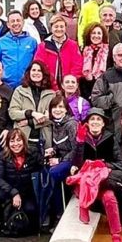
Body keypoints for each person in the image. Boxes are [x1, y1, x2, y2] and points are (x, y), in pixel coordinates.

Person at [71, 109, 122, 242]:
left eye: (98, 119)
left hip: (103, 182)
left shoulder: (111, 138)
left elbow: (120, 163)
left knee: (109, 198)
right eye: (92, 119)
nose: (95, 122)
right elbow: (76, 163)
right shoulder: (82, 138)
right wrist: (79, 143)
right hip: (85, 182)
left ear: (103, 124)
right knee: (86, 174)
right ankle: (84, 205)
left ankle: (116, 237)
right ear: (87, 123)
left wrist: (102, 165)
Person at [0, 129, 44, 236]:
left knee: (30, 209)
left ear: (24, 141)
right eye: (12, 141)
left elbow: (42, 167)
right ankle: (2, 223)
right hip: (9, 191)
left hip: (27, 192)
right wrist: (14, 193)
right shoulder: (2, 156)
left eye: (18, 140)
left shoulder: (33, 152)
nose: (16, 144)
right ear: (8, 143)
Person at [42, 94, 79, 230]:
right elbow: (60, 144)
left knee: (54, 173)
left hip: (72, 160)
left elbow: (76, 149)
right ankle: (49, 212)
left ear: (66, 109)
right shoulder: (55, 124)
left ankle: (60, 214)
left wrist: (59, 160)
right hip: (61, 158)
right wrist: (53, 150)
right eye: (54, 107)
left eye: (61, 107)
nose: (57, 110)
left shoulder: (71, 124)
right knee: (44, 170)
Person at [8, 60, 57, 147]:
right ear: (29, 72)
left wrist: (30, 122)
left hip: (44, 140)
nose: (36, 73)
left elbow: (52, 117)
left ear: (44, 74)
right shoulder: (19, 91)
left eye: (39, 70)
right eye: (33, 70)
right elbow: (13, 113)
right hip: (22, 140)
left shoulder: (51, 94)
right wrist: (32, 113)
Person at [0, 10, 39, 89]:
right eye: (12, 21)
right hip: (5, 87)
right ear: (8, 24)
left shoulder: (32, 42)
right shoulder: (1, 42)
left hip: (27, 86)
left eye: (18, 20)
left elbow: (37, 63)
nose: (16, 23)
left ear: (23, 22)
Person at [34, 14, 84, 91]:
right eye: (56, 26)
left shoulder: (73, 45)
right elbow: (40, 66)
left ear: (65, 28)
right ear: (51, 28)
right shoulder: (43, 46)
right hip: (48, 88)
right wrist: (54, 86)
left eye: (61, 26)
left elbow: (78, 66)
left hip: (69, 88)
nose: (59, 29)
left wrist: (68, 83)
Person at [80, 21, 111, 98]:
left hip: (103, 92)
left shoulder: (109, 52)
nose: (96, 36)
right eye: (93, 33)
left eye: (99, 33)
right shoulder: (83, 51)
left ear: (103, 35)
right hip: (86, 92)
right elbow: (81, 76)